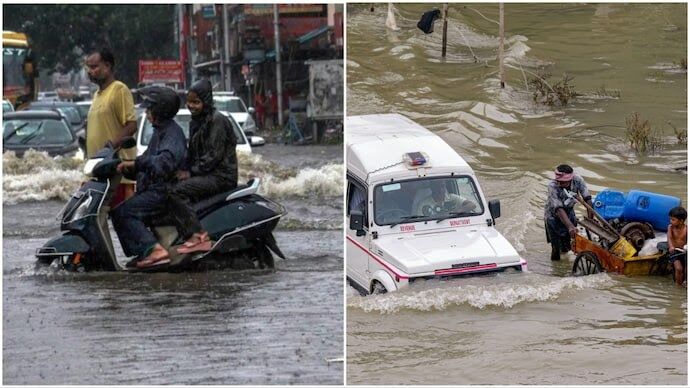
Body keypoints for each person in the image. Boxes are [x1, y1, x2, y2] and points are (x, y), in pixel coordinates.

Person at [110, 86, 187, 269]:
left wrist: (136, 164)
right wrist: (125, 167)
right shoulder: (159, 131)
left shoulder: (172, 133)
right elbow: (147, 161)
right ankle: (143, 252)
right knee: (117, 211)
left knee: (125, 212)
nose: (146, 112)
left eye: (149, 108)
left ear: (159, 111)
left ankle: (154, 251)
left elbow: (164, 162)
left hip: (164, 191)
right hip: (154, 188)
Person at [169, 79, 238, 255]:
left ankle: (198, 235)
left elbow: (213, 156)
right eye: (189, 102)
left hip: (220, 176)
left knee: (177, 191)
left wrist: (190, 172)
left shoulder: (217, 121)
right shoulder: (197, 121)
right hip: (206, 174)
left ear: (206, 101)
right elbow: (192, 153)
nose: (191, 106)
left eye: (196, 102)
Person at [85, 48, 138, 205]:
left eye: (94, 67)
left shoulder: (119, 90)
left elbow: (131, 125)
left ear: (107, 66)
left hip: (117, 172)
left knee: (121, 220)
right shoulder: (97, 95)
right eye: (88, 67)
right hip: (97, 171)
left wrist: (110, 146)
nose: (90, 72)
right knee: (93, 217)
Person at [544, 164, 593, 261]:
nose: (560, 184)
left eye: (563, 182)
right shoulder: (552, 186)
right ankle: (557, 271)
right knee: (556, 248)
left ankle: (566, 261)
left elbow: (587, 198)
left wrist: (591, 218)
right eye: (559, 181)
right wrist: (570, 226)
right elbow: (558, 208)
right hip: (553, 216)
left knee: (567, 245)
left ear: (570, 179)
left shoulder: (577, 180)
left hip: (569, 212)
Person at [666, 206, 687, 286]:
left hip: (684, 251)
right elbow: (669, 238)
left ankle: (685, 282)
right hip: (674, 251)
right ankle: (678, 286)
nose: (671, 221)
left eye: (673, 220)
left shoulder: (687, 229)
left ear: (681, 221)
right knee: (679, 268)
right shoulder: (670, 228)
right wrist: (671, 247)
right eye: (670, 219)